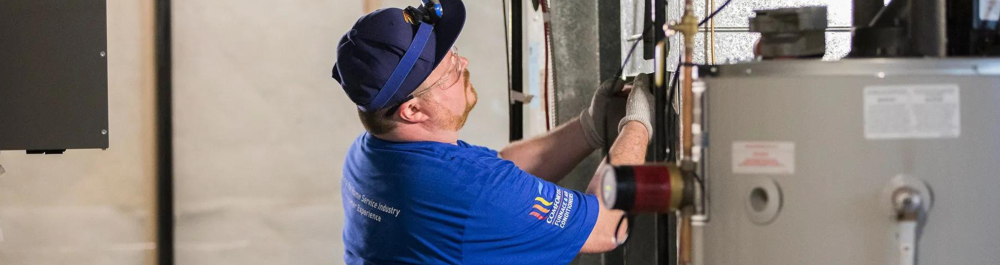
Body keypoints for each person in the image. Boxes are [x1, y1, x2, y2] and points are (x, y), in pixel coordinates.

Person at [332, 0, 654, 263]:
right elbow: (607, 227)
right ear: (412, 110)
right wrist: (638, 122)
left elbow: (501, 166)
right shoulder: (470, 192)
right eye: (450, 71)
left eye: (454, 54)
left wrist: (589, 127)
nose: (465, 64)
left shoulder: (367, 153)